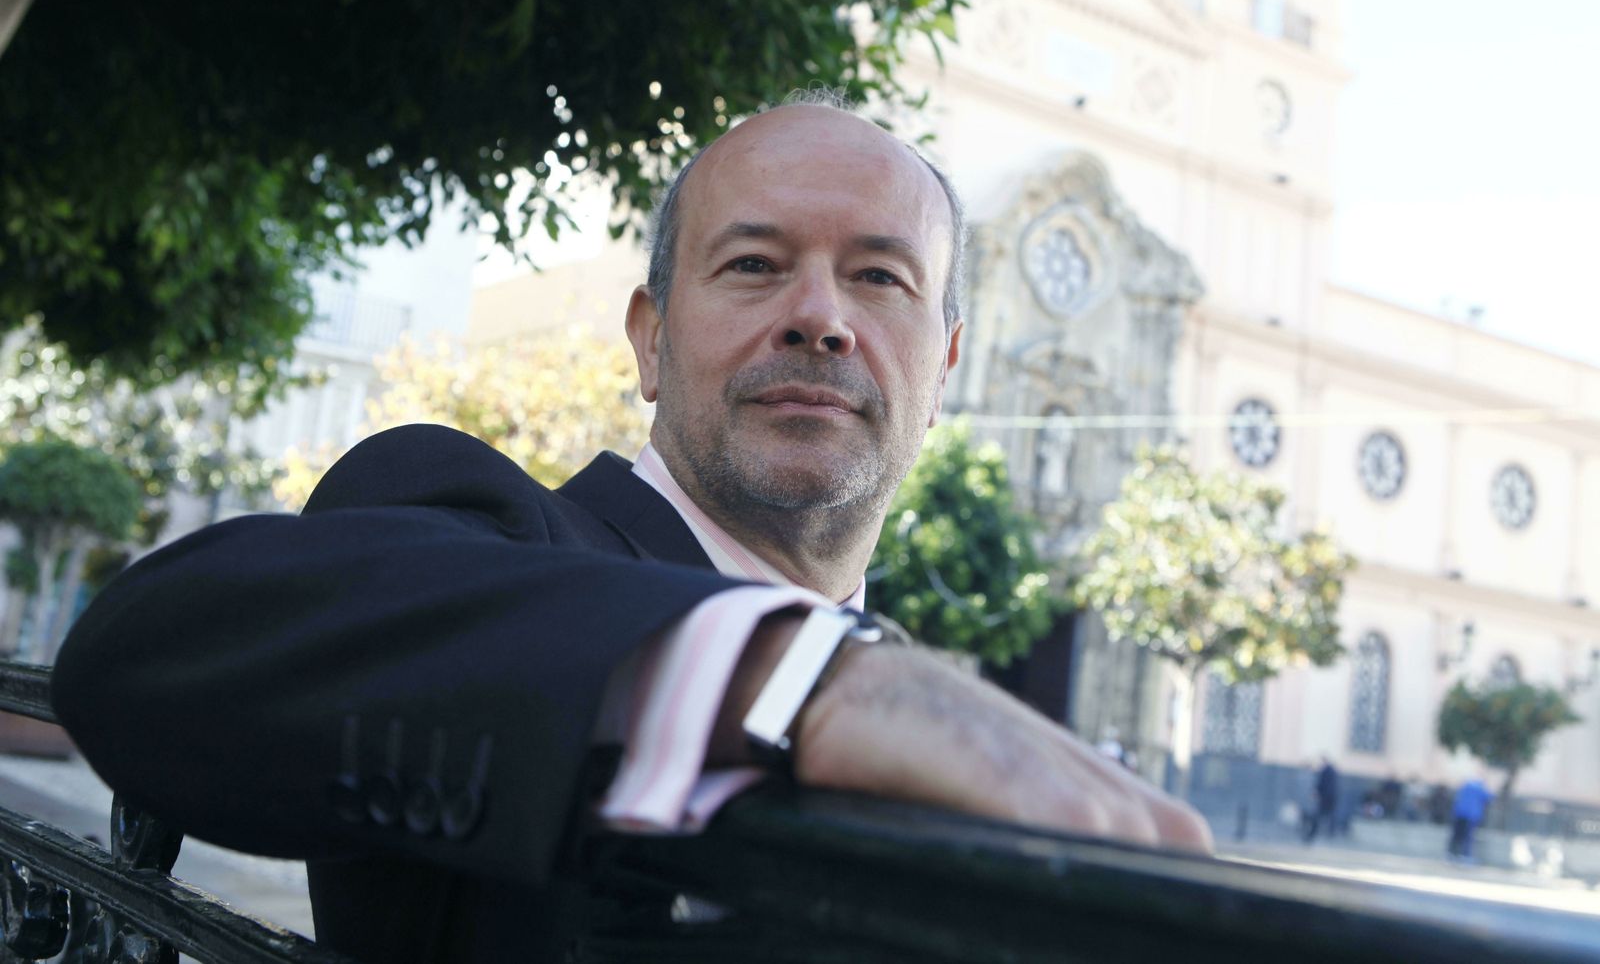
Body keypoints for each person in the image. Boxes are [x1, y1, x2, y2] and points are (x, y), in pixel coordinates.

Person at [51, 99, 1210, 963]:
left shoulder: (905, 690)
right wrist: (781, 675)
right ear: (650, 341)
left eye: (880, 279)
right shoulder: (494, 530)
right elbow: (146, 654)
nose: (820, 318)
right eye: (754, 266)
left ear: (945, 366)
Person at [1448, 777, 1493, 862]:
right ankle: (1465, 855)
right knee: (1468, 836)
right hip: (1471, 815)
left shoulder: (1465, 787)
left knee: (1456, 835)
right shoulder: (1480, 788)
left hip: (1459, 813)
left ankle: (1451, 853)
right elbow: (1488, 798)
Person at [1302, 756, 1340, 843]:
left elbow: (1322, 784)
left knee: (1318, 817)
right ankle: (1330, 834)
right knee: (1329, 816)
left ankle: (1311, 835)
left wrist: (1318, 793)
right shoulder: (1332, 771)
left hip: (1326, 798)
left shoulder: (1326, 771)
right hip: (1331, 798)